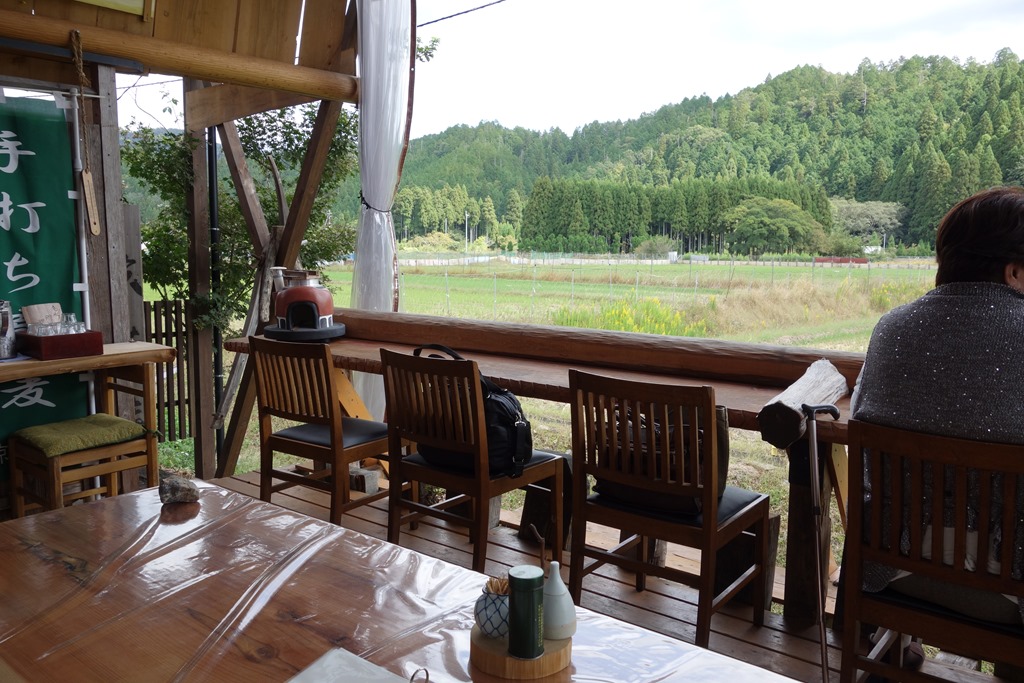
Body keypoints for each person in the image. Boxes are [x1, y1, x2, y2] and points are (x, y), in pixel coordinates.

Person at [850, 186, 1024, 671]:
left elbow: (862, 416)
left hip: (892, 564)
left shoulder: (891, 327)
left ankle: (896, 652)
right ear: (1013, 271)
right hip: (1008, 584)